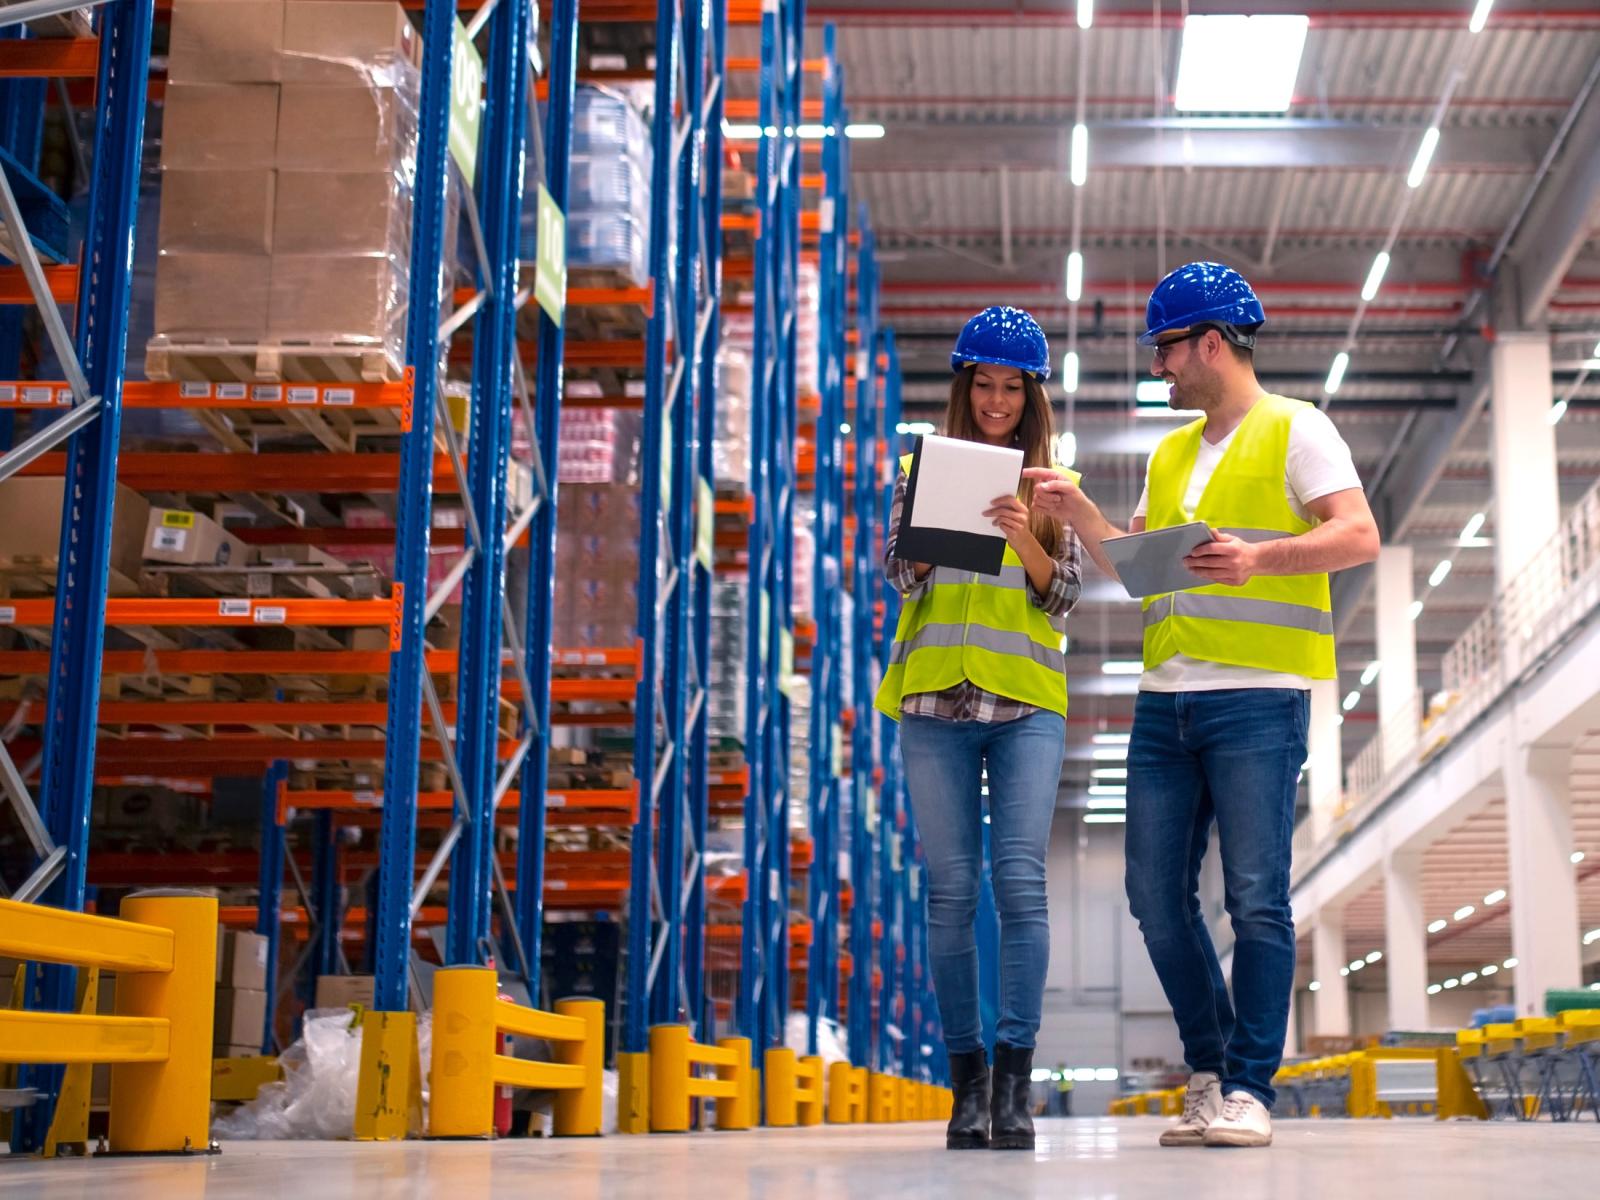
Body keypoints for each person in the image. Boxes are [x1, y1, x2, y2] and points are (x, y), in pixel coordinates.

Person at [1028, 264, 1380, 1149]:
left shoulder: (1299, 429)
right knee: (1153, 897)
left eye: (1169, 349)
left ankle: (1252, 1090)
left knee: (1258, 898)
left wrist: (1262, 557)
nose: (1162, 368)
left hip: (1258, 699)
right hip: (1166, 702)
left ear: (1211, 344)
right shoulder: (1171, 451)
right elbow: (1137, 572)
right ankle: (1212, 1066)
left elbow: (1359, 533)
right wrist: (1081, 514)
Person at [875, 306, 1082, 1152]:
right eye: (984, 384)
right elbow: (899, 572)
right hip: (933, 698)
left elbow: (1061, 594)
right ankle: (965, 1086)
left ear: (1031, 396)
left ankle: (1015, 1084)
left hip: (1024, 702)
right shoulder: (918, 468)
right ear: (966, 389)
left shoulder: (1052, 485)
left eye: (1012, 387)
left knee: (1020, 886)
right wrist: (936, 534)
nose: (997, 399)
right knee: (951, 893)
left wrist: (1019, 534)